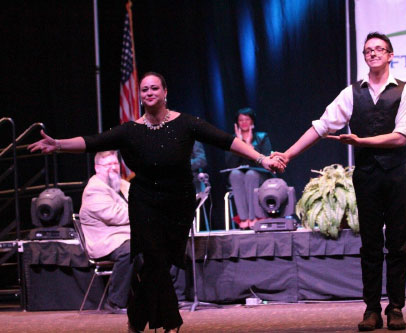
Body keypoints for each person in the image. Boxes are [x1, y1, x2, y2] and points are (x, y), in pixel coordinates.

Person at [28, 71, 284, 333]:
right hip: (144, 202)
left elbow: (225, 140)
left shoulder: (185, 123)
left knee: (159, 263)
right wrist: (57, 144)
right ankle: (172, 323)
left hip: (177, 203)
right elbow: (93, 141)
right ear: (140, 96)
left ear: (165, 92)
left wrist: (261, 159)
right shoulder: (130, 130)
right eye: (144, 90)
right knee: (154, 259)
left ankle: (136, 320)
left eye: (154, 89)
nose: (149, 93)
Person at [272, 32, 406, 331]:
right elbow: (321, 126)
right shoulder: (351, 93)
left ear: (391, 55)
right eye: (368, 50)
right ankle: (372, 309)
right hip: (367, 176)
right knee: (371, 243)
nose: (373, 53)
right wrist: (288, 154)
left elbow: (400, 137)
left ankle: (397, 307)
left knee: (398, 243)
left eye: (379, 49)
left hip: (398, 173)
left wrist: (360, 140)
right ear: (364, 57)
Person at [79, 150, 133, 314]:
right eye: (107, 164)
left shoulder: (122, 184)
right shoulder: (94, 189)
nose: (113, 168)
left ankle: (174, 296)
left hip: (124, 236)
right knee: (132, 249)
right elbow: (116, 216)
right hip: (106, 241)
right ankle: (115, 301)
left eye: (115, 163)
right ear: (97, 168)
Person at [225, 107, 272, 229]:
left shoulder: (262, 137)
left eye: (247, 119)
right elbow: (230, 164)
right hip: (240, 176)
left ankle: (254, 217)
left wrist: (250, 145)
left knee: (251, 174)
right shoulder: (232, 140)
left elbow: (266, 160)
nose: (244, 122)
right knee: (235, 174)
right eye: (241, 120)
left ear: (252, 121)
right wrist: (239, 144)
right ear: (237, 123)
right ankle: (244, 219)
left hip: (259, 175)